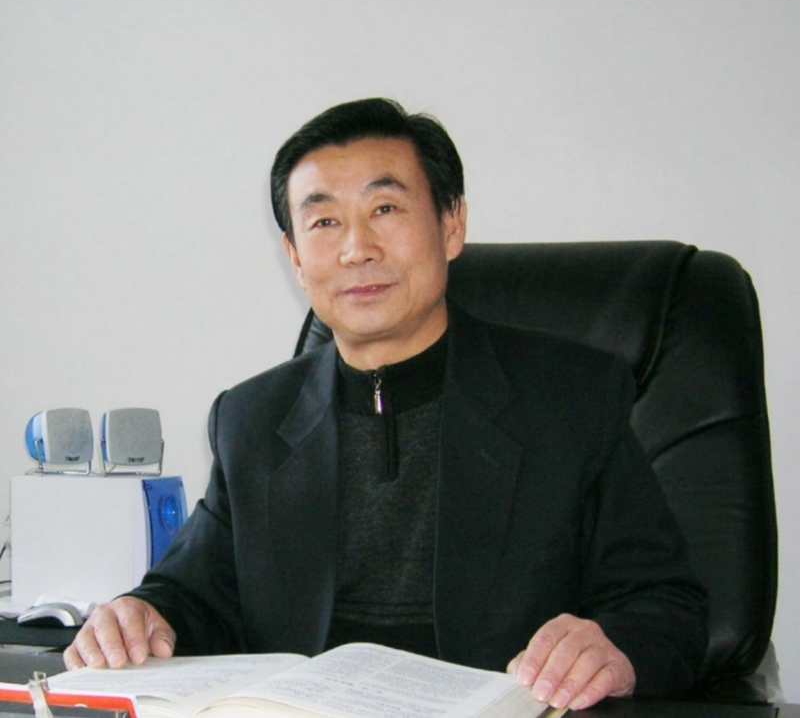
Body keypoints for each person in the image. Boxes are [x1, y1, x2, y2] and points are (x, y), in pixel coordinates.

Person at [64, 98, 707, 711]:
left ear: (452, 225)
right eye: (324, 222)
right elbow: (194, 595)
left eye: (386, 209)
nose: (356, 249)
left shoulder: (570, 398)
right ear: (294, 257)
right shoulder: (252, 419)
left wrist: (615, 647)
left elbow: (667, 606)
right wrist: (140, 614)